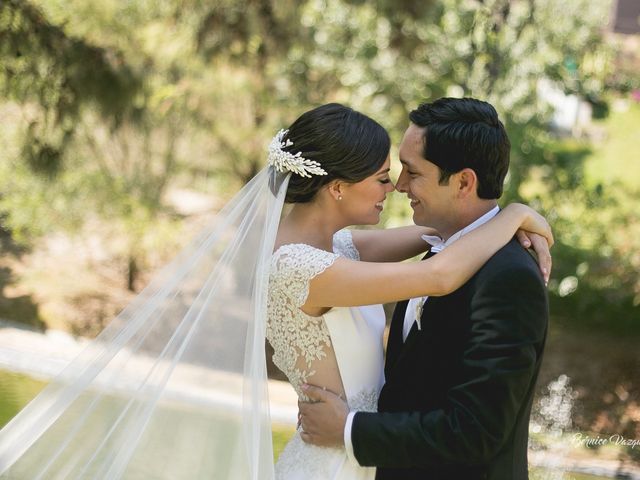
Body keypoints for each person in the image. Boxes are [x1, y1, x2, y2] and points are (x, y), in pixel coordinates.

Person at [270, 101, 552, 480]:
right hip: (333, 461)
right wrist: (516, 214)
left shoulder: (337, 247)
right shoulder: (300, 267)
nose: (398, 186)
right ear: (336, 187)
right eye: (384, 176)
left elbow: (439, 238)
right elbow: (439, 275)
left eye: (409, 172)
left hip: (358, 453)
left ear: (464, 182)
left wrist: (503, 221)